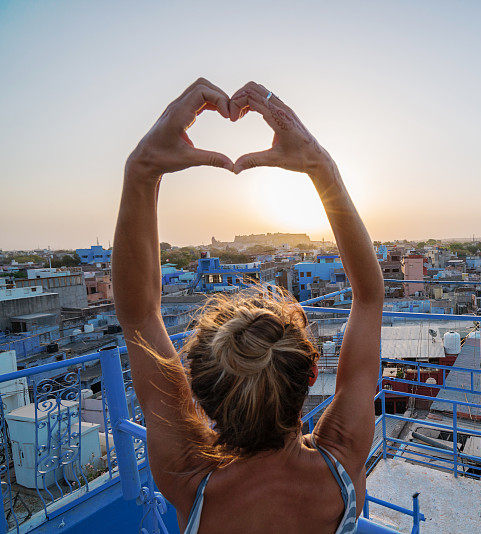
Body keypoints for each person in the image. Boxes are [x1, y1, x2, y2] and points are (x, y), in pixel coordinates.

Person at [112, 78, 384, 533]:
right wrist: (320, 166)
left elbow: (139, 314)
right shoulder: (342, 464)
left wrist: (142, 169)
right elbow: (371, 296)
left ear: (200, 394)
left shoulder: (190, 483)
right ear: (311, 376)